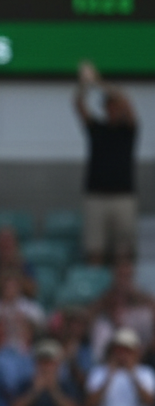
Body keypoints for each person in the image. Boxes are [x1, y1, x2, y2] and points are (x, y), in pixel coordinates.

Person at [75, 60, 139, 263]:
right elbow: (79, 106)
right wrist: (85, 84)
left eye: (116, 106)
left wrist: (99, 82)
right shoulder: (97, 129)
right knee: (95, 251)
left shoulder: (127, 130)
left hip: (123, 196)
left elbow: (128, 104)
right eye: (109, 106)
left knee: (124, 252)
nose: (114, 109)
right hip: (96, 196)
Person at [0, 225, 37, 301]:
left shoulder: (25, 265)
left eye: (8, 243)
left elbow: (33, 292)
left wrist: (17, 273)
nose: (5, 246)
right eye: (2, 243)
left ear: (15, 244)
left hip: (21, 305)